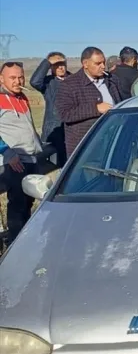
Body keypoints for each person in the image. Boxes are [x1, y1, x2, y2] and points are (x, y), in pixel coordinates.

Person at [0, 61, 43, 245]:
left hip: (31, 158)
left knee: (28, 202)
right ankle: (16, 244)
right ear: (1, 79)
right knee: (17, 205)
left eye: (20, 77)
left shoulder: (23, 97)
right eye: (12, 78)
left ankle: (27, 241)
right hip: (14, 161)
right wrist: (7, 152)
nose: (18, 81)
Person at [55, 46, 123, 157]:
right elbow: (65, 114)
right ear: (85, 64)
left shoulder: (111, 80)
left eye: (103, 62)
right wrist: (96, 108)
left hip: (112, 143)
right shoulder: (69, 84)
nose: (102, 66)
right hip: (85, 147)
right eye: (98, 63)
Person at [29, 52, 70, 166]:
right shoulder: (48, 82)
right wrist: (47, 62)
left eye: (63, 64)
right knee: (52, 165)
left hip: (71, 128)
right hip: (53, 129)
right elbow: (34, 82)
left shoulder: (73, 80)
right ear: (51, 67)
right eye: (57, 64)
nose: (61, 67)